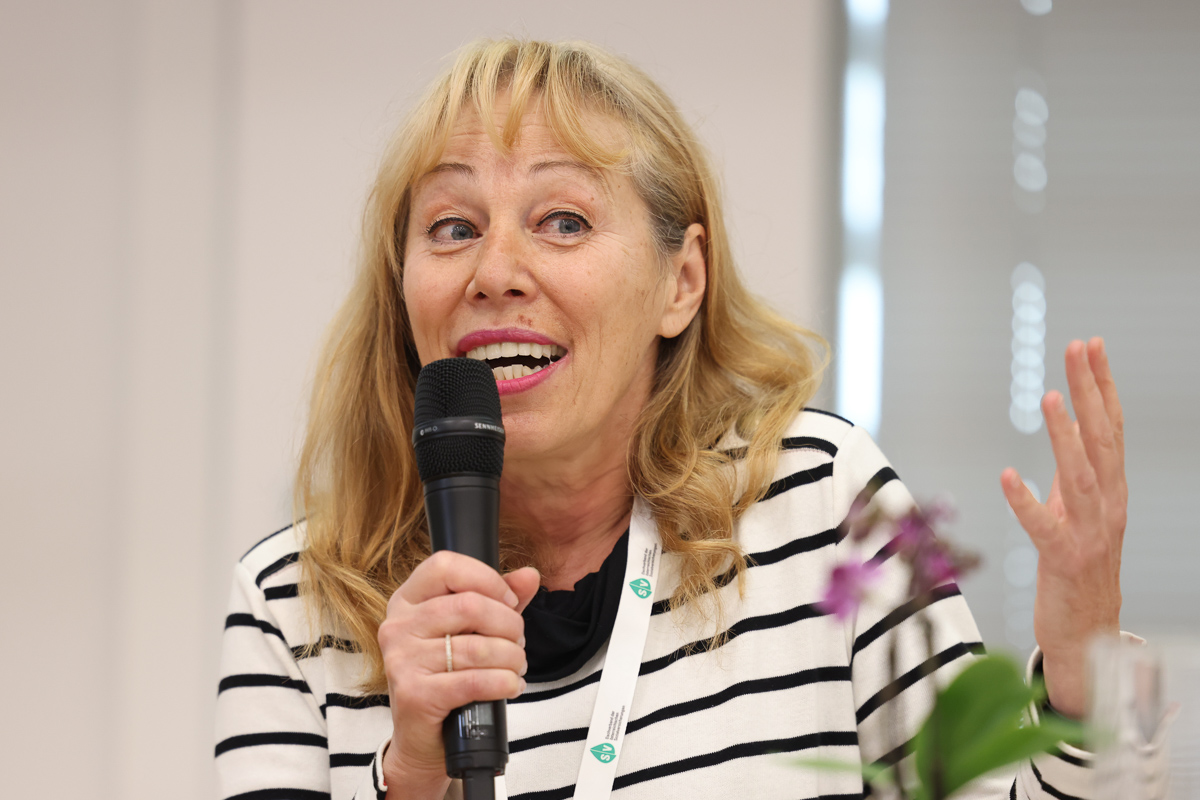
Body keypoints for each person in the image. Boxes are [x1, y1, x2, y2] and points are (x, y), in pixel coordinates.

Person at [215, 39, 1127, 800]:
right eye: (454, 228)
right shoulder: (290, 603)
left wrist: (1082, 668)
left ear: (680, 283)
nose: (494, 272)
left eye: (562, 221)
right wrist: (412, 777)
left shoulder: (825, 504)